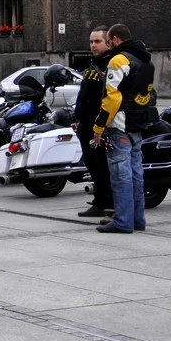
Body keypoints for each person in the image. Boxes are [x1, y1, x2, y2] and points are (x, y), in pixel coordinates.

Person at [93, 24, 154, 234]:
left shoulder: (119, 60)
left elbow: (113, 98)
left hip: (119, 125)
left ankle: (123, 221)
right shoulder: (146, 60)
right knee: (136, 174)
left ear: (116, 39)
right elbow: (148, 94)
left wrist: (99, 126)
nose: (108, 46)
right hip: (137, 124)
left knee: (121, 175)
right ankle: (138, 220)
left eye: (108, 41)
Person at [73, 26, 115, 218]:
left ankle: (109, 204)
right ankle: (99, 202)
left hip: (99, 125)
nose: (93, 45)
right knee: (92, 165)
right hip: (86, 124)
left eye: (97, 41)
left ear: (109, 42)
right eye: (91, 41)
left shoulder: (111, 65)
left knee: (102, 167)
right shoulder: (94, 63)